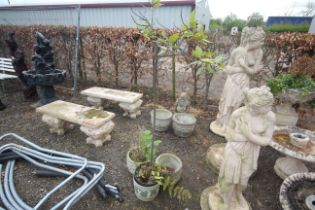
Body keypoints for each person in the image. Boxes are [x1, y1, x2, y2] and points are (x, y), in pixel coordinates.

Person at [215, 86, 275, 210]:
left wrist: (248, 135)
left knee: (243, 181)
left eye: (269, 106)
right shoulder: (239, 114)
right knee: (229, 178)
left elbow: (266, 141)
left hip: (251, 152)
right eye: (251, 107)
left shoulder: (269, 117)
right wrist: (245, 137)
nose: (269, 108)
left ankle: (238, 193)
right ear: (250, 104)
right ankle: (225, 200)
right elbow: (228, 134)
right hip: (234, 149)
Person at [210, 27, 266, 136]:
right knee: (227, 102)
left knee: (237, 102)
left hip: (244, 80)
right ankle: (223, 123)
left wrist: (239, 68)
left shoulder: (259, 52)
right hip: (232, 80)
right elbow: (227, 68)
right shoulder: (237, 51)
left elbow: (253, 71)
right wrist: (237, 69)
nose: (262, 43)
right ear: (252, 40)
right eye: (260, 41)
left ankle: (231, 124)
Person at [5, 32, 38, 101]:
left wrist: (13, 60)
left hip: (21, 70)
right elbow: (15, 57)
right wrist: (11, 36)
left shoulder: (18, 52)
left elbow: (18, 59)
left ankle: (31, 96)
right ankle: (29, 96)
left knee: (27, 82)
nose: (9, 47)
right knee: (26, 82)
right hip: (19, 70)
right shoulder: (14, 51)